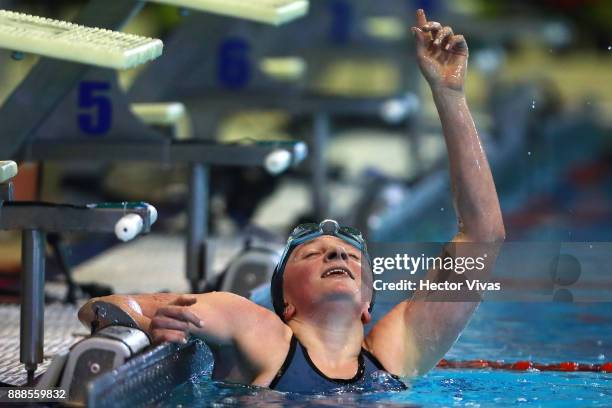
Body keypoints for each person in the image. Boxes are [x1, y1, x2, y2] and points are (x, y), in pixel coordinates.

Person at [78, 9, 505, 393]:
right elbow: (106, 307)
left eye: (350, 256)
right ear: (286, 303)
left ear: (367, 305)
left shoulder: (396, 353)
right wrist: (151, 324)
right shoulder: (257, 330)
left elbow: (483, 236)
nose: (336, 251)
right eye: (312, 254)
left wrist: (449, 96)